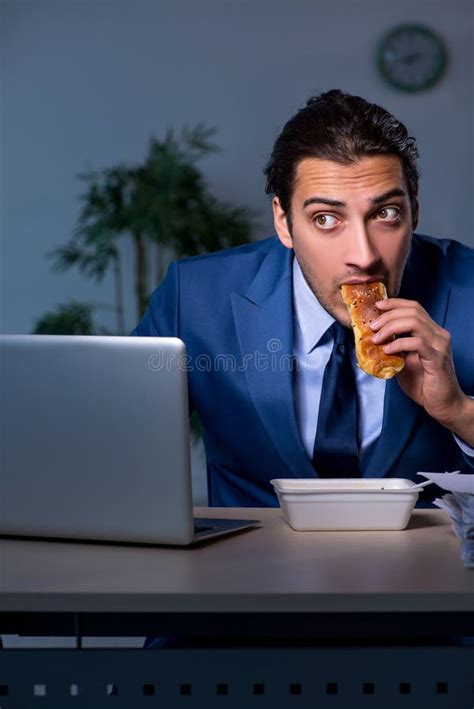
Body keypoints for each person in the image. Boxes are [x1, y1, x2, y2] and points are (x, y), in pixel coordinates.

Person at [132, 89, 474, 507]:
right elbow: (118, 442)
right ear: (284, 222)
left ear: (414, 211)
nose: (363, 256)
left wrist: (459, 411)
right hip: (246, 567)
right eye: (326, 219)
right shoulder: (196, 297)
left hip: (427, 567)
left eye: (385, 213)